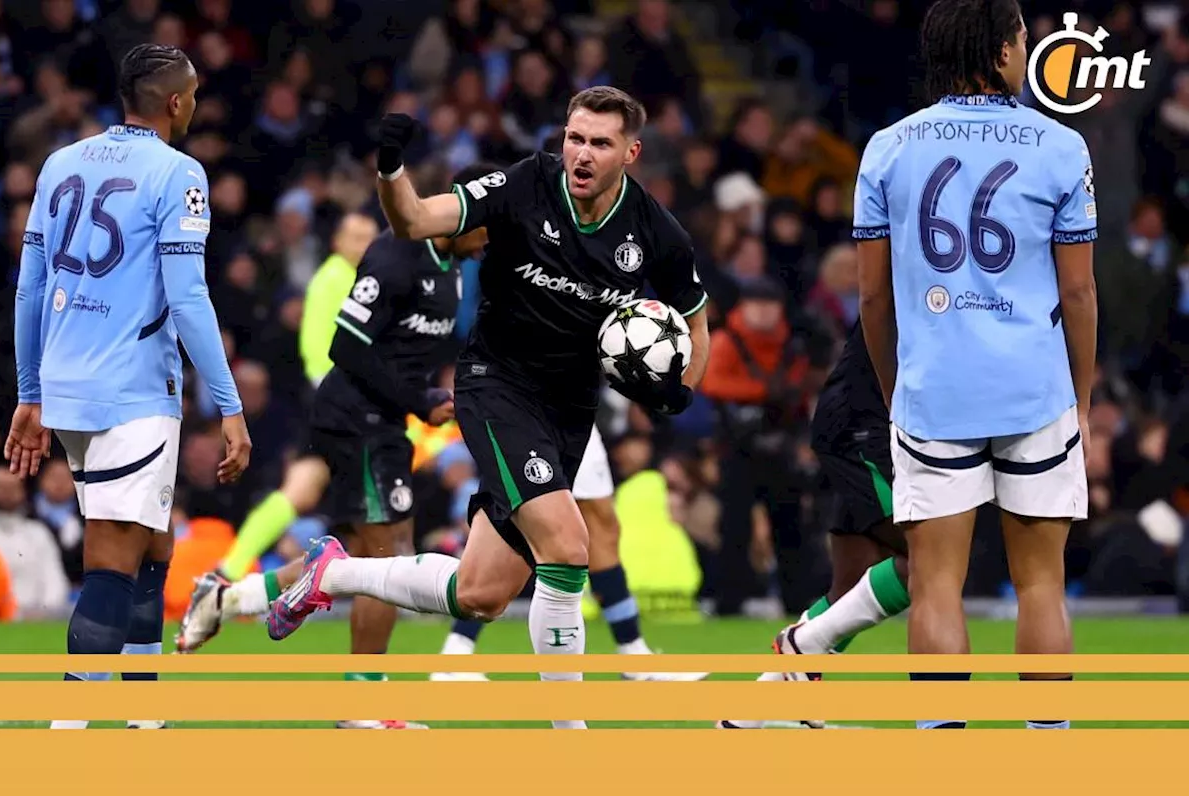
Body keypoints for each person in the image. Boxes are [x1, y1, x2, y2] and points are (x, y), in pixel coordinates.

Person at [268, 86, 710, 730]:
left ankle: (335, 574)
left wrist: (684, 389)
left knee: (480, 593)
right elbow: (415, 221)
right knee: (568, 544)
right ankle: (572, 736)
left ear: (631, 153)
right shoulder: (524, 185)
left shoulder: (653, 231)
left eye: (600, 143)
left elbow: (696, 324)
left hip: (568, 410)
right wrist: (391, 169)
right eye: (574, 138)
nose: (581, 154)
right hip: (497, 386)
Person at [856, 0, 1095, 730]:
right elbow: (1079, 289)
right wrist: (1080, 397)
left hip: (935, 394)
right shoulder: (1060, 146)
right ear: (999, 52)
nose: (1029, 47)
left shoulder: (889, 148)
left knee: (934, 587)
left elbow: (871, 296)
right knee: (1043, 585)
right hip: (1034, 391)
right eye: (1023, 37)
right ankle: (1048, 757)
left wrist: (897, 390)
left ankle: (945, 757)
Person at [179, 172, 491, 729]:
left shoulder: (455, 269)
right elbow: (345, 346)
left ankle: (226, 597)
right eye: (490, 223)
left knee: (351, 556)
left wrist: (425, 394)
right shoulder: (396, 256)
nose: (493, 238)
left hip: (380, 417)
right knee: (389, 556)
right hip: (357, 418)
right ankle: (361, 704)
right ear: (460, 213)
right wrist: (418, 398)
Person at [6, 43, 250, 730]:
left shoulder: (61, 163)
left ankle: (146, 715)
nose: (197, 104)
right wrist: (229, 406)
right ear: (175, 103)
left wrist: (31, 393)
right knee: (113, 553)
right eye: (194, 93)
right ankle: (70, 730)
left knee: (153, 540)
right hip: (132, 389)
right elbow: (189, 298)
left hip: (69, 384)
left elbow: (31, 287)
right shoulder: (180, 174)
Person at [718, 321, 909, 730]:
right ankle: (803, 646)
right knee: (929, 561)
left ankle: (743, 717)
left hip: (884, 423)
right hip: (872, 422)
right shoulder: (917, 266)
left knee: (849, 590)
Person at [431, 425, 709, 682]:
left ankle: (633, 653)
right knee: (525, 522)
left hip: (575, 407)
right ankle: (455, 652)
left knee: (600, 526)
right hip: (538, 406)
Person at [208, 213, 380, 588]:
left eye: (369, 236)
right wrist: (344, 396)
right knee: (374, 493)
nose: (363, 244)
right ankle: (389, 585)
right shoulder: (334, 279)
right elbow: (315, 348)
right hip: (344, 405)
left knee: (303, 488)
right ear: (337, 241)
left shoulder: (359, 277)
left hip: (343, 403)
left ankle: (229, 570)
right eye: (354, 236)